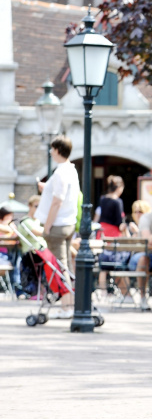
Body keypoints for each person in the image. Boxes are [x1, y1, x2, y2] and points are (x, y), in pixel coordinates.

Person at [34, 135, 80, 319]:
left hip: (58, 225)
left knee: (59, 266)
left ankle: (68, 306)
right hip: (68, 223)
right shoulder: (71, 170)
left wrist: (47, 226)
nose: (51, 151)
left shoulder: (60, 172)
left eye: (53, 148)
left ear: (58, 150)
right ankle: (69, 304)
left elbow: (57, 201)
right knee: (66, 265)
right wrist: (46, 187)